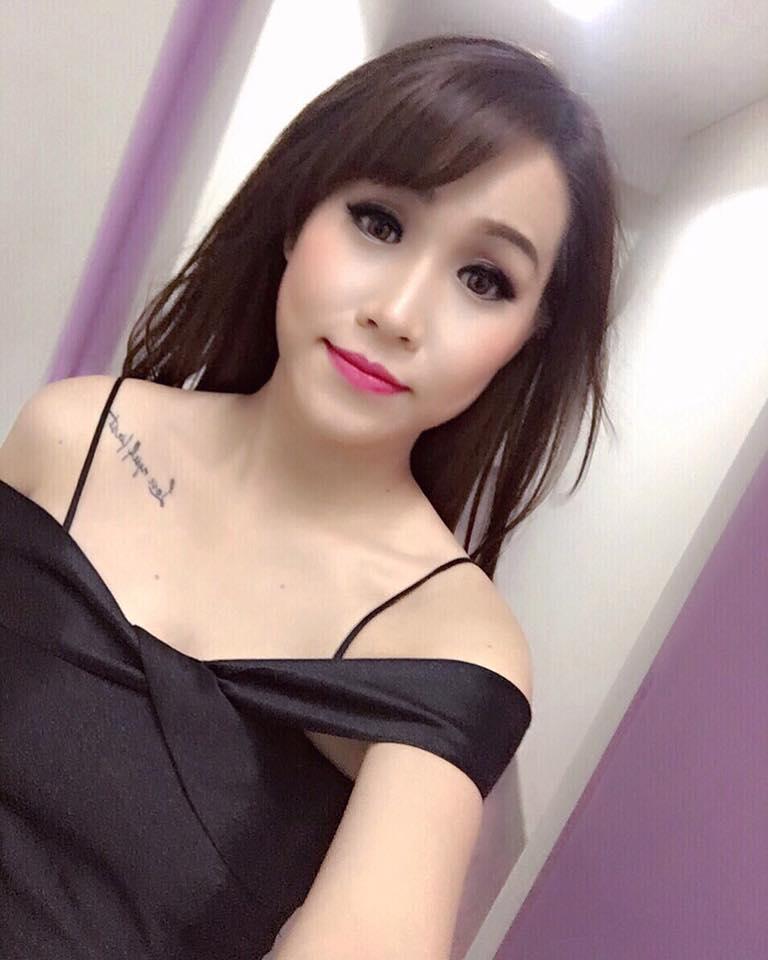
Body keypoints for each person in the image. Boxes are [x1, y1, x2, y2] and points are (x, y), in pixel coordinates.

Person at [0, 34, 622, 960]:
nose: (398, 314)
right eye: (380, 222)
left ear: (528, 336)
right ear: (300, 215)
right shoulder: (74, 432)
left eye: (484, 279)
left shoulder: (450, 647)